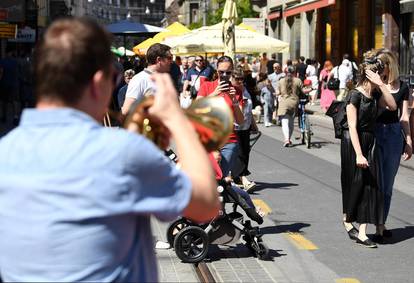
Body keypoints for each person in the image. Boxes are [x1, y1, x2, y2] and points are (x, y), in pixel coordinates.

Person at [0, 17, 219, 282]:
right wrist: (177, 120)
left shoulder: (5, 152)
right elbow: (205, 205)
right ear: (99, 80)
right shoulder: (122, 154)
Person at [340, 50, 396, 248]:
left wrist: (381, 85)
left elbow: (392, 106)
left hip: (370, 140)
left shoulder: (376, 93)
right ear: (368, 76)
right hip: (353, 143)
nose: (382, 78)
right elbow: (352, 126)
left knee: (369, 185)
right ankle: (347, 219)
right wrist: (358, 154)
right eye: (379, 76)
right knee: (354, 183)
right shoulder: (354, 95)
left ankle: (362, 231)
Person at [373, 49, 412, 242]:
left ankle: (381, 224)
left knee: (387, 185)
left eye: (382, 65)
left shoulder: (403, 87)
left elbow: (404, 116)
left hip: (394, 135)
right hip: (375, 133)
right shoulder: (374, 86)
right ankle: (373, 222)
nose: (379, 68)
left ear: (390, 65)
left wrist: (409, 141)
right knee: (375, 183)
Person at [197, 55, 244, 178]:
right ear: (216, 70)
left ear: (232, 72)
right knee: (208, 176)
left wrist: (234, 100)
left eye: (228, 72)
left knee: (220, 178)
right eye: (221, 72)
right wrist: (214, 94)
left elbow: (240, 121)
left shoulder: (237, 91)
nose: (224, 75)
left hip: (229, 141)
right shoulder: (207, 86)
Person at [122, 43, 173, 115]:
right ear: (159, 60)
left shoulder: (163, 79)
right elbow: (126, 110)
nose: (172, 61)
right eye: (170, 58)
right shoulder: (140, 79)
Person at [231, 68, 258, 192]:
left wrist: (254, 124)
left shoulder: (245, 90)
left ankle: (237, 178)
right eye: (238, 79)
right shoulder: (231, 91)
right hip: (234, 127)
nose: (241, 81)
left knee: (246, 152)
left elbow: (248, 110)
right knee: (240, 154)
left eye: (242, 79)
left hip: (245, 127)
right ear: (232, 78)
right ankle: (243, 180)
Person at [277, 66, 302, 147]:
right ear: (294, 72)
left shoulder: (281, 81)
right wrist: (311, 88)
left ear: (285, 72)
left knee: (285, 123)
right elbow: (303, 91)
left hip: (284, 103)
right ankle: (288, 139)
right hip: (294, 103)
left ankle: (287, 139)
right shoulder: (298, 80)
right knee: (291, 123)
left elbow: (278, 92)